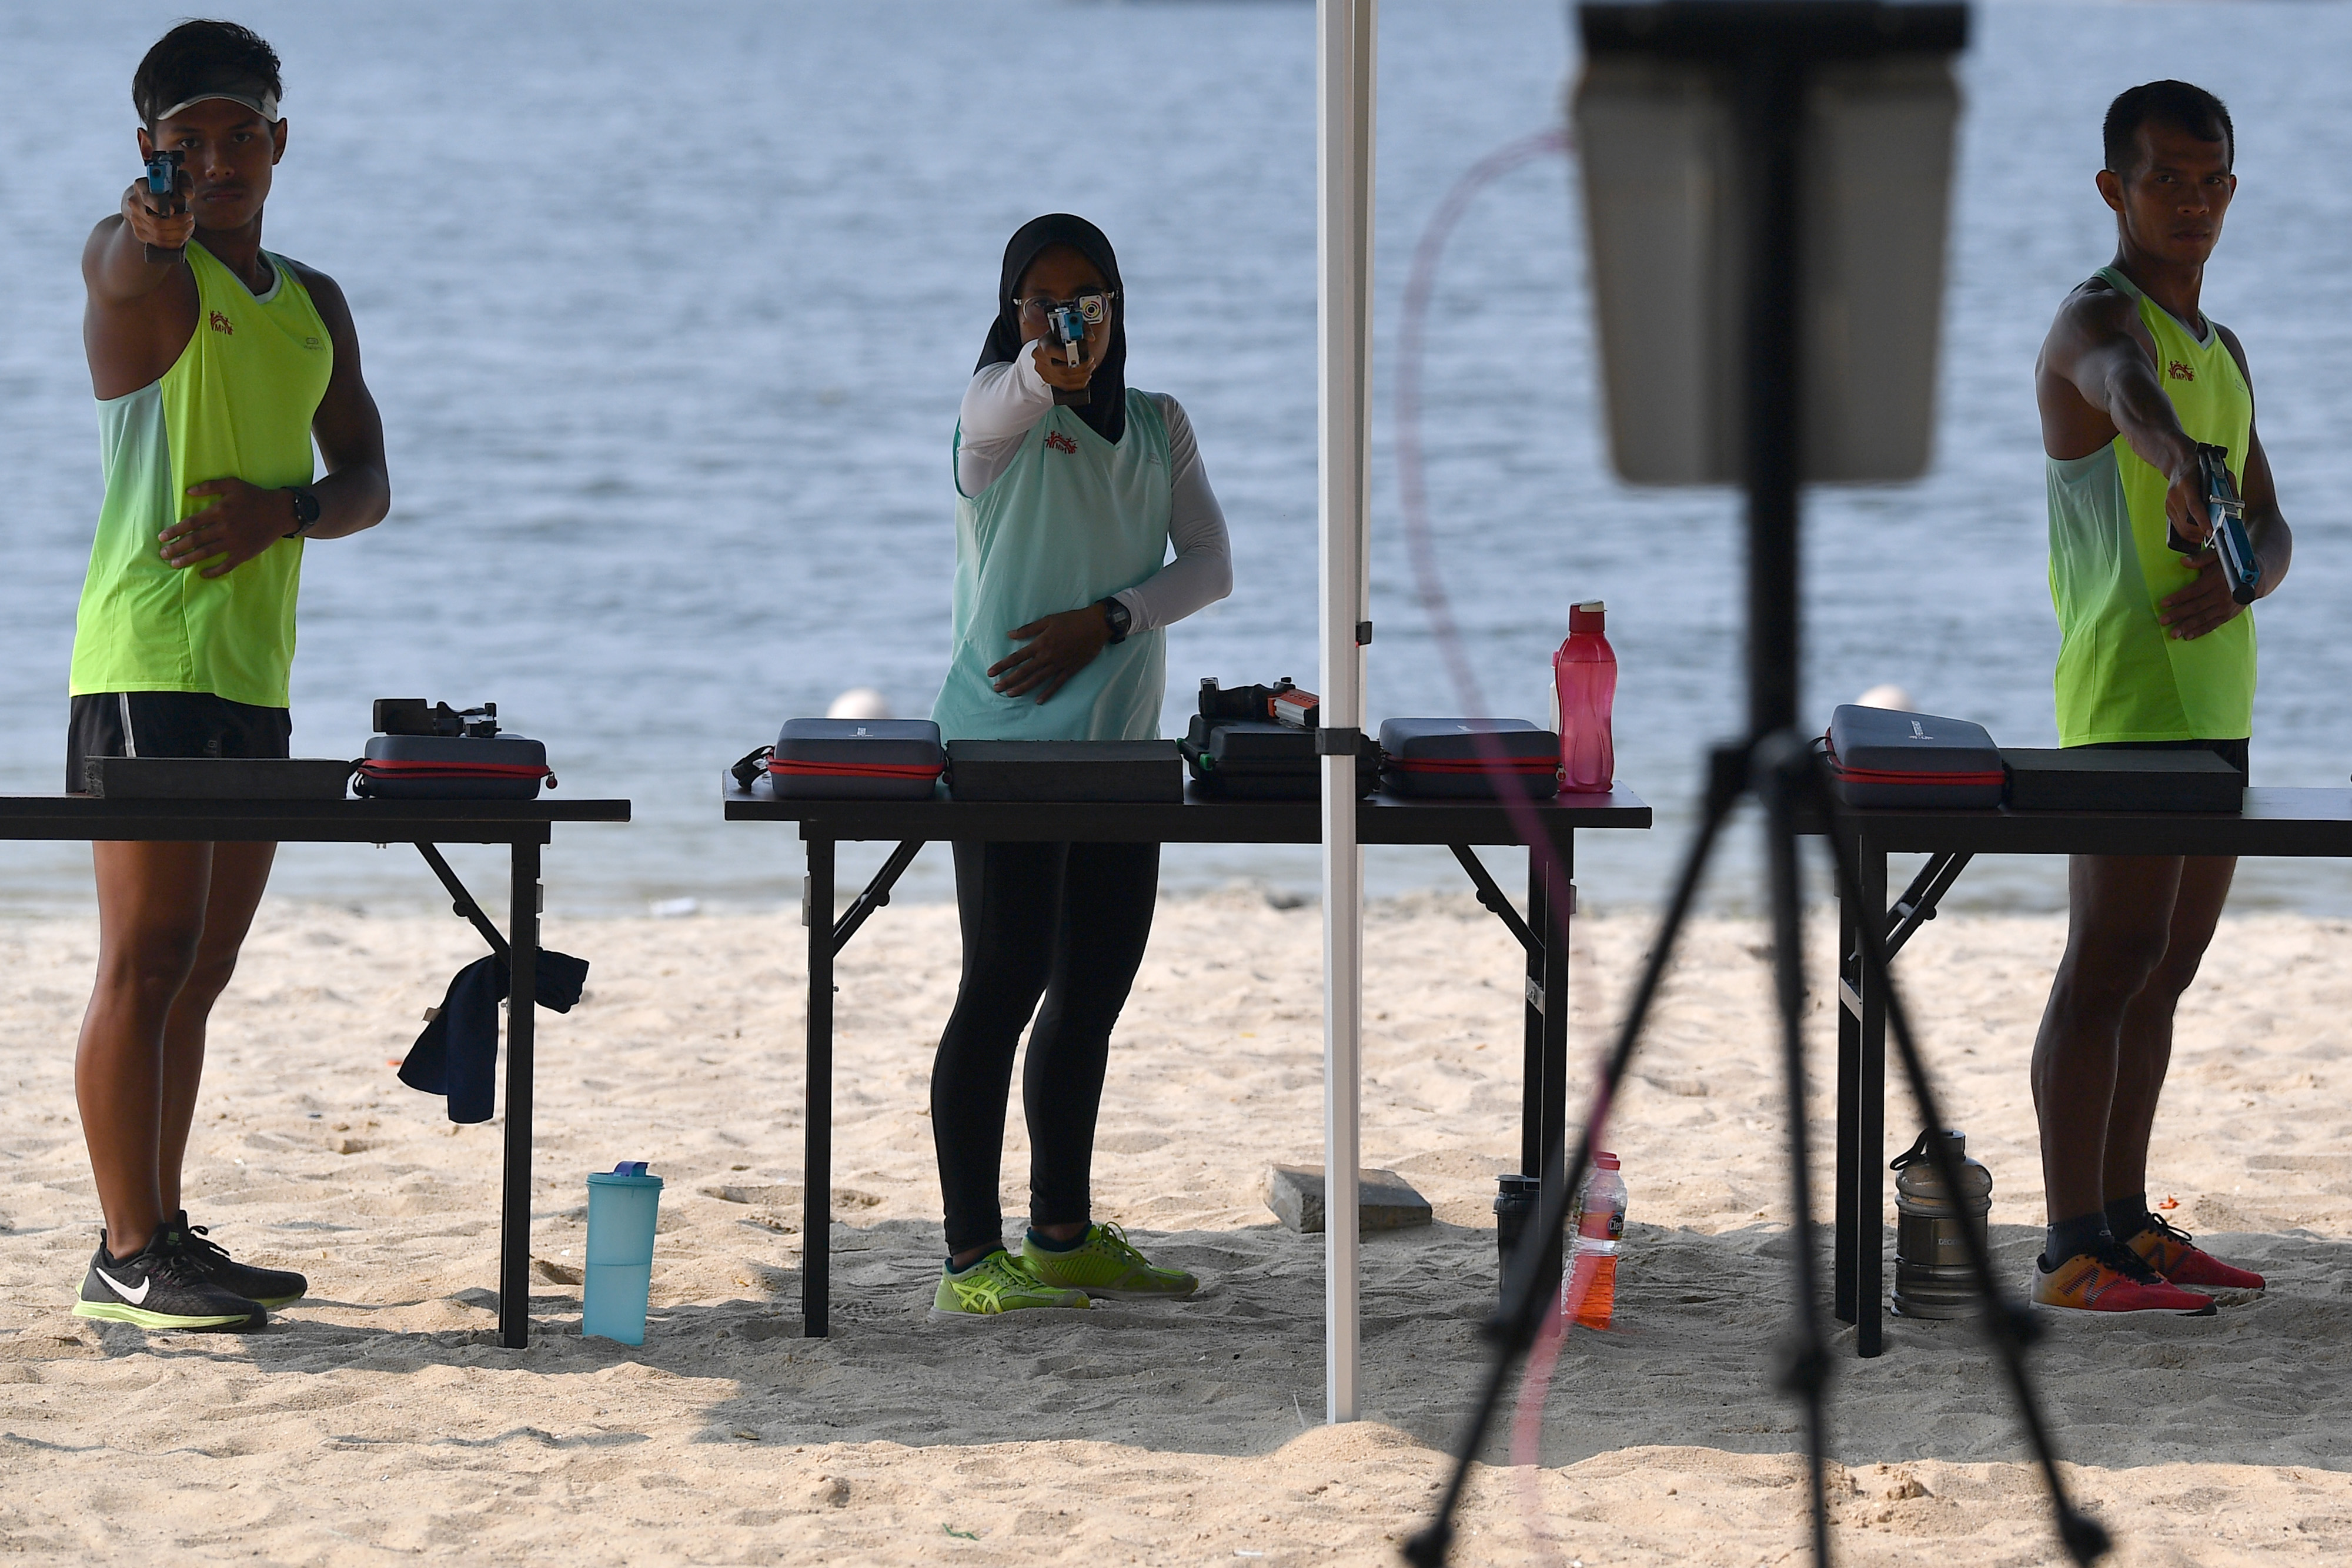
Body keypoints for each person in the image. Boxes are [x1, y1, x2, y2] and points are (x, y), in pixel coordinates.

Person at [68, 21, 390, 1332]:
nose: (214, 160)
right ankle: (124, 1248)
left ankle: (167, 1226)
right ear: (147, 154)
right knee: (140, 962)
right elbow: (111, 262)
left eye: (237, 134)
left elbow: (368, 478)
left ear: (278, 139)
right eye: (184, 142)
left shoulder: (314, 298)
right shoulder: (146, 273)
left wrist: (290, 513)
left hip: (255, 675)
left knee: (201, 966)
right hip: (145, 660)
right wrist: (143, 227)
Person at [925, 214, 1232, 1316]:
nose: (1070, 321)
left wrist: (1108, 620)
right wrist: (1042, 369)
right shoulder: (992, 420)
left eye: (1089, 299)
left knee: (1094, 987)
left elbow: (1209, 568)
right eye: (1044, 302)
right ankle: (969, 1259)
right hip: (1001, 750)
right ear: (1013, 313)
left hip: (1124, 752)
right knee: (1001, 986)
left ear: (1117, 305)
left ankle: (1059, 1233)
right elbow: (1012, 394)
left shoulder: (1160, 425)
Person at [2027, 81, 2287, 1316]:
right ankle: (2070, 1244)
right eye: (2160, 180)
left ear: (2228, 189)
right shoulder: (2093, 320)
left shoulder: (2225, 349)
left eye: (2205, 180)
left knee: (2165, 970)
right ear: (2112, 190)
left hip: (2215, 697)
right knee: (2105, 960)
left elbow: (2273, 524)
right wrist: (2177, 458)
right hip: (2123, 698)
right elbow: (2125, 395)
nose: (2186, 201)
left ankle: (2128, 1222)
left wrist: (2243, 583)